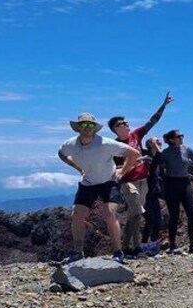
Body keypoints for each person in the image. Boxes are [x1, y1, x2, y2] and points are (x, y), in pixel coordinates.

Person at [58, 113, 140, 264]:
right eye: (84, 125)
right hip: (87, 183)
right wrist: (77, 167)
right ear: (78, 128)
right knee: (77, 215)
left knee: (109, 214)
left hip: (108, 182)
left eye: (90, 125)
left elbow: (133, 154)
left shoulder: (106, 143)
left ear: (95, 128)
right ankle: (78, 252)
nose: (87, 128)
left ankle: (117, 252)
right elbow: (61, 154)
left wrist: (122, 171)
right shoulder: (70, 144)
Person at [108, 92, 173, 258]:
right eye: (122, 123)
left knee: (134, 214)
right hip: (128, 183)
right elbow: (115, 168)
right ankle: (136, 247)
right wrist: (134, 163)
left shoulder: (136, 135)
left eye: (126, 122)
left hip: (143, 181)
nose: (127, 124)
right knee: (136, 211)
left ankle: (124, 247)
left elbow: (152, 121)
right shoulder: (114, 146)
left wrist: (163, 105)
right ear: (116, 128)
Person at [140, 136, 164, 256]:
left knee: (157, 221)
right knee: (150, 220)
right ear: (150, 144)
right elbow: (156, 162)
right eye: (156, 141)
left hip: (153, 193)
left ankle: (153, 245)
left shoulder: (154, 157)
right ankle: (144, 246)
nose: (160, 143)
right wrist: (155, 146)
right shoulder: (147, 159)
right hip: (145, 194)